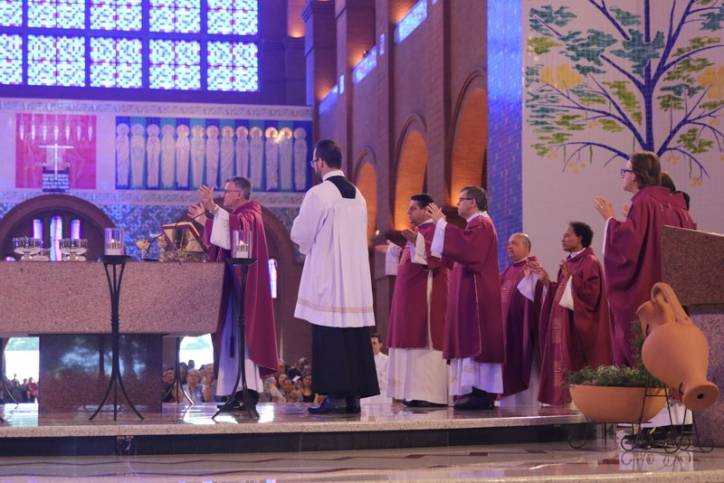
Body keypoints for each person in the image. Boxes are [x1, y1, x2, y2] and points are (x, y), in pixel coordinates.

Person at [291, 139, 379, 414]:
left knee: (329, 335)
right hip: (355, 279)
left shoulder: (318, 194)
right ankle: (353, 398)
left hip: (330, 277)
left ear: (320, 162)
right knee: (354, 336)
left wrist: (306, 245)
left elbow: (301, 234)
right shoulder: (358, 195)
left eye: (314, 162)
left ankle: (335, 397)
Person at [594, 152, 696, 366]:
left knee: (641, 343)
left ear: (636, 175)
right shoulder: (677, 207)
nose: (623, 175)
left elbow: (628, 247)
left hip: (646, 289)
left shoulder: (643, 203)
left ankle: (642, 382)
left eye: (625, 171)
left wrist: (610, 221)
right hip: (673, 294)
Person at [187, 176, 279, 410]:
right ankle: (235, 394)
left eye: (227, 191)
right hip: (233, 286)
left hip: (246, 288)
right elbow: (225, 238)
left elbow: (237, 228)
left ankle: (247, 393)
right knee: (231, 339)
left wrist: (212, 208)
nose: (223, 195)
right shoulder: (237, 216)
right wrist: (204, 220)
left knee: (243, 340)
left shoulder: (251, 213)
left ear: (239, 194)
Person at [427, 187, 505, 410]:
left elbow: (470, 252)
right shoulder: (474, 225)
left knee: (475, 338)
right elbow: (454, 251)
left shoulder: (482, 224)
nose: (457, 204)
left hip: (478, 295)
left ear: (473, 202)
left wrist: (442, 224)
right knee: (466, 336)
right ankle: (470, 390)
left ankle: (480, 393)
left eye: (461, 200)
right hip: (469, 293)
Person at [379, 194, 450, 407]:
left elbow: (435, 258)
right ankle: (412, 393)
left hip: (426, 298)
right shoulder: (417, 233)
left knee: (424, 341)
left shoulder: (435, 230)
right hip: (409, 299)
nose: (408, 212)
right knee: (408, 342)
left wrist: (415, 241)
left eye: (413, 208)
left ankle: (430, 394)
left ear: (426, 210)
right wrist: (395, 249)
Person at [532, 222, 612, 406]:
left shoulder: (590, 262)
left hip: (575, 328)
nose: (563, 238)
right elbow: (561, 292)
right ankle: (559, 399)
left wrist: (571, 279)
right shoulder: (569, 263)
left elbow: (591, 295)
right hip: (562, 325)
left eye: (568, 235)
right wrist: (547, 282)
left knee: (572, 361)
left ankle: (575, 402)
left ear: (580, 238)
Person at [498, 233, 543, 408]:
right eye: (508, 244)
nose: (509, 247)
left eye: (514, 243)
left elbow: (538, 297)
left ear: (526, 246)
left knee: (524, 364)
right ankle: (508, 407)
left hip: (522, 328)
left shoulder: (532, 268)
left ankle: (527, 407)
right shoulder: (507, 271)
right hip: (506, 330)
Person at [362, 333, 392, 406]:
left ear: (380, 345)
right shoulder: (362, 360)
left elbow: (388, 379)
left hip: (382, 394)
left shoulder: (387, 360)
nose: (371, 345)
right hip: (367, 395)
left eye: (374, 343)